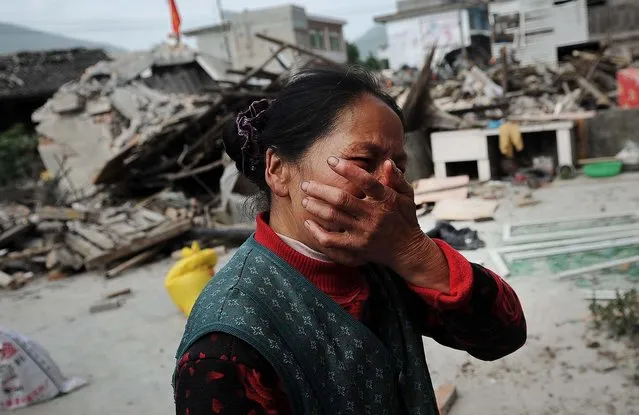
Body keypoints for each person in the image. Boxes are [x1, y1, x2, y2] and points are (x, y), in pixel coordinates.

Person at [173, 65, 526, 415]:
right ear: (279, 171)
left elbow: (502, 335)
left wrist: (416, 253)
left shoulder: (385, 260)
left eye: (398, 167)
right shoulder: (225, 347)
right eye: (362, 161)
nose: (387, 184)